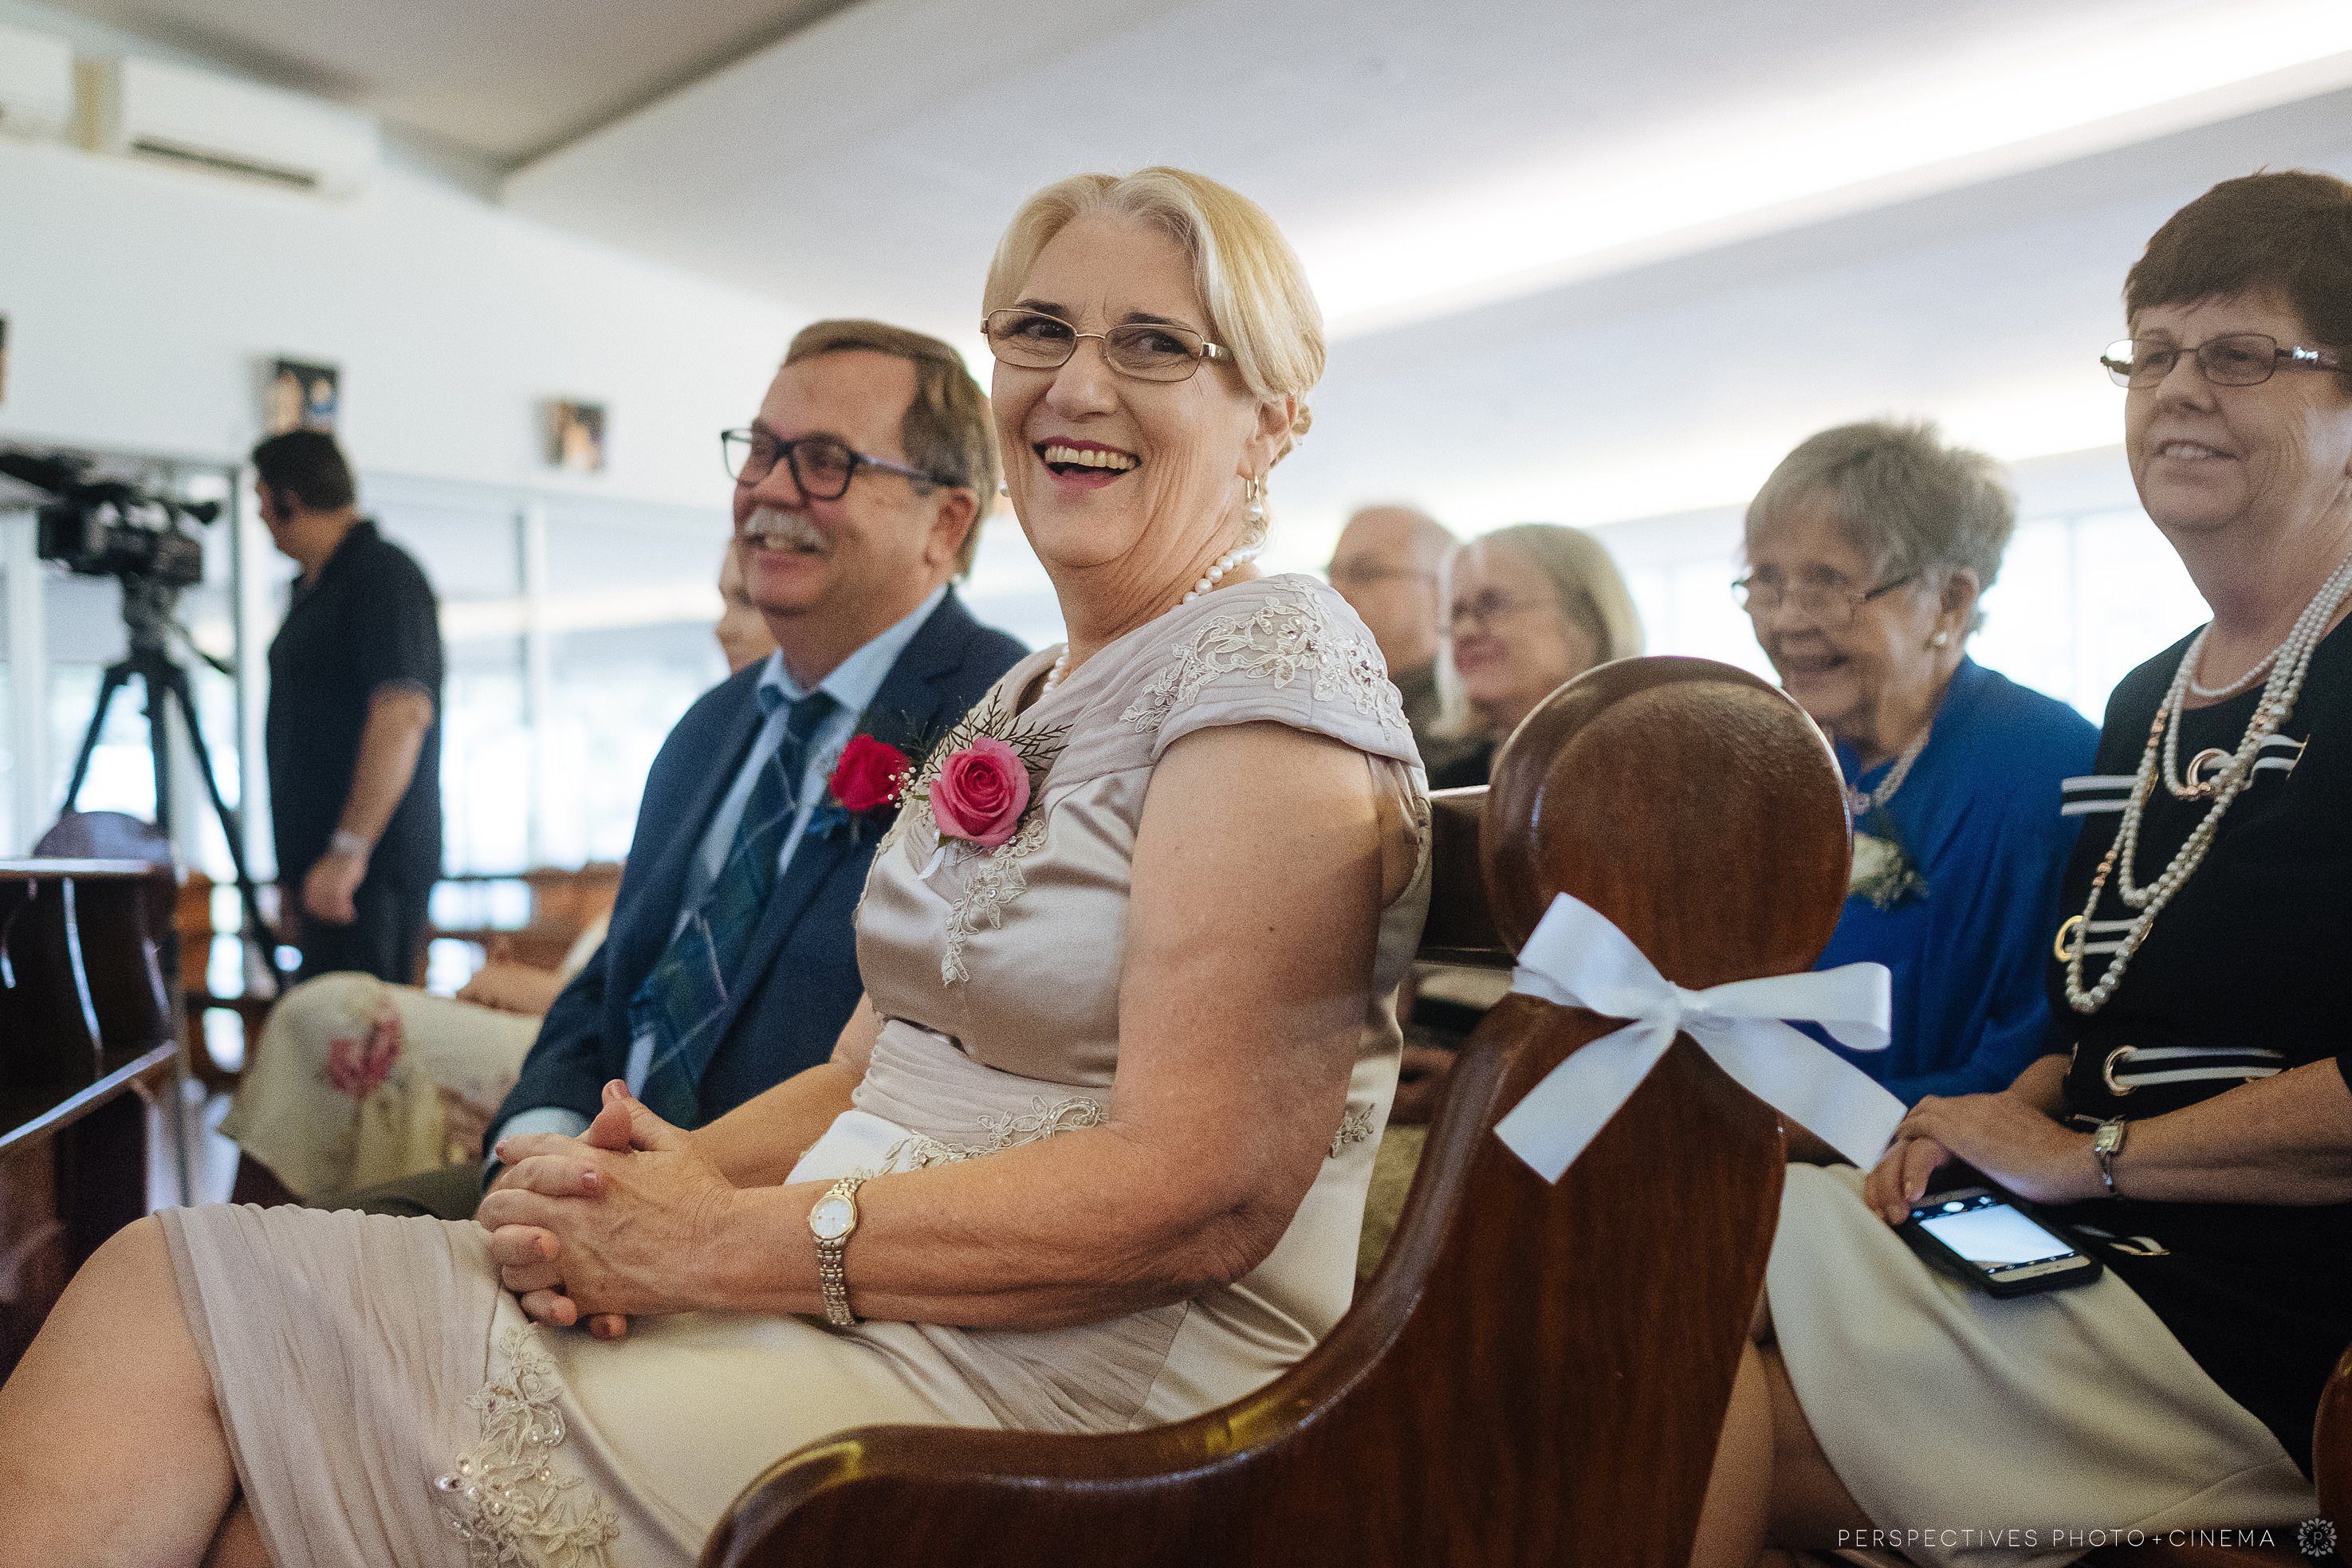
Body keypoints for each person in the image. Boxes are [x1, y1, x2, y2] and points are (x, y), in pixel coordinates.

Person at [0, 167, 1428, 1568]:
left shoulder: (1269, 671)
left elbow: (1206, 1187)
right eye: (1040, 332)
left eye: (1156, 344)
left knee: (213, 1381)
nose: (1076, 384)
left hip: (1059, 1380)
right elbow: (869, 1071)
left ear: (1273, 420)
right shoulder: (1030, 697)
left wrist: (716, 1245)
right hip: (860, 1287)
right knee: (213, 1400)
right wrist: (642, 1176)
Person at [1697, 170, 2352, 1568]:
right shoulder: (2148, 699)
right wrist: (1982, 1117)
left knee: (1664, 1343)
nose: (2179, 391)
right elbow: (2092, 1018)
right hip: (2068, 1241)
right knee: (1649, 1273)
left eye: (2240, 355)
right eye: (2153, 355)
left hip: (2244, 1311)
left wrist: (2088, 1156)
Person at [336, 319, 1028, 1224]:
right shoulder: (711, 727)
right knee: (265, 1261)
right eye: (761, 451)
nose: (771, 490)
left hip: (783, 1222)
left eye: (825, 461)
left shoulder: (999, 722)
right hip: (582, 1179)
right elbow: (606, 991)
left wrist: (658, 1196)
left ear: (946, 521)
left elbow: (937, 1069)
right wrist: (536, 1147)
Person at [218, 543, 779, 1206]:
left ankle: (258, 1242)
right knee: (325, 1017)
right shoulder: (710, 744)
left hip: (603, 1049)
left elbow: (692, 998)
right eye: (720, 600)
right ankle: (268, 1250)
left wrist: (527, 988)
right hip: (572, 1027)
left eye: (744, 601)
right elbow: (620, 973)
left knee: (329, 1013)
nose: (722, 626)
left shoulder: (768, 765)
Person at [1738, 421, 2097, 1102]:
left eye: (1828, 584)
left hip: (1938, 1175)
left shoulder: (2050, 767)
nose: (1784, 621)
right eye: (1767, 582)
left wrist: (1795, 1134)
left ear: (1950, 601)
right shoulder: (1773, 764)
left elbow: (2037, 1061)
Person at [254, 430, 443, 984]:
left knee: (364, 1049)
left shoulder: (383, 575)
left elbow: (401, 715)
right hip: (323, 869)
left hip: (369, 875)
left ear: (287, 498)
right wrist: (295, 870)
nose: (260, 516)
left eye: (261, 499)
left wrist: (347, 852)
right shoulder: (313, 586)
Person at [1427, 521, 1642, 788]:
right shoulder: (1448, 785)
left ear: (1586, 621)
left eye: (1493, 604)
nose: (1465, 630)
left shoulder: (1650, 760)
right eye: (1456, 613)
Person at [1327, 503, 1476, 774]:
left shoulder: (1470, 716)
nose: (1335, 592)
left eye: (1365, 573)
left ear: (1442, 588)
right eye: (1331, 575)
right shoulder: (1323, 703)